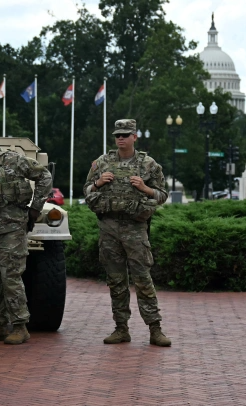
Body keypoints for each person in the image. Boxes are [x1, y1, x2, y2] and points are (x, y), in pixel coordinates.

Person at [83, 119, 171, 347]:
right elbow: (86, 191)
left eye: (125, 135)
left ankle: (155, 329)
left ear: (134, 137)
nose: (120, 138)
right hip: (109, 228)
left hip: (135, 228)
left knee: (142, 279)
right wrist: (98, 183)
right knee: (116, 281)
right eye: (117, 135)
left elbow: (162, 195)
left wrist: (144, 188)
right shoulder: (102, 163)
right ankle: (121, 328)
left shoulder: (148, 164)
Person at [0, 126, 52, 345]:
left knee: (11, 278)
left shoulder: (13, 160)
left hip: (12, 228)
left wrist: (35, 208)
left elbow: (44, 176)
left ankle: (19, 326)